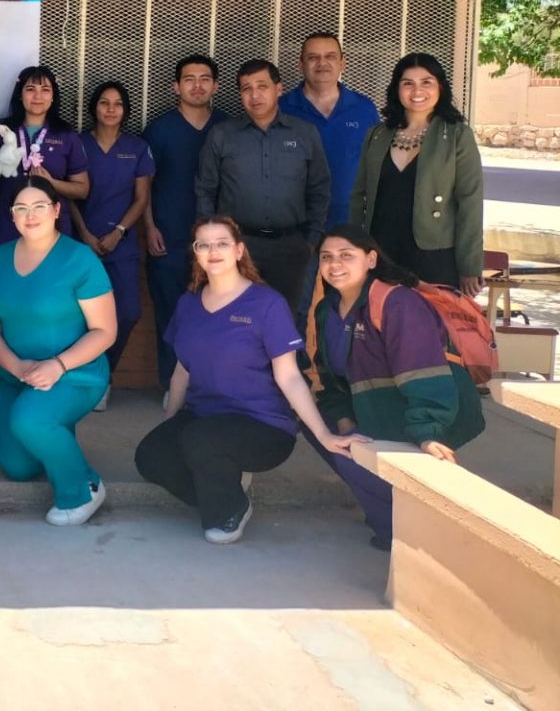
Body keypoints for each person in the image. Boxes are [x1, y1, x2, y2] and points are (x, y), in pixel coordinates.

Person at [134, 217, 358, 544]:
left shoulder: (267, 303)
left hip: (262, 426)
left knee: (200, 439)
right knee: (150, 456)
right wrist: (169, 424)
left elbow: (289, 376)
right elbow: (183, 368)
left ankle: (229, 509)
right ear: (195, 253)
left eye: (222, 243)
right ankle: (224, 489)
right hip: (204, 418)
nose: (213, 251)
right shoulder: (188, 303)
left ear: (239, 250)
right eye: (203, 244)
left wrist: (323, 434)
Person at [312, 224, 485, 550]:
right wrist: (344, 422)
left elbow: (424, 374)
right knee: (322, 428)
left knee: (368, 460)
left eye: (346, 255)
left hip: (427, 409)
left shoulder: (397, 303)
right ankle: (390, 522)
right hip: (374, 411)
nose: (335, 264)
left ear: (371, 259)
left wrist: (427, 433)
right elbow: (330, 379)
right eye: (326, 257)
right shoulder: (327, 310)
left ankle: (410, 534)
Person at [0, 180, 116, 527]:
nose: (30, 215)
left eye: (39, 206)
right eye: (21, 208)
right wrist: (16, 366)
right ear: (12, 216)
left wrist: (58, 365)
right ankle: (52, 430)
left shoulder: (79, 259)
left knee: (30, 420)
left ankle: (82, 489)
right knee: (17, 467)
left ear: (56, 211)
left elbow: (105, 331)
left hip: (75, 374)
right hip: (18, 375)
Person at [195, 59, 330, 324]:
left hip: (291, 247)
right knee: (236, 320)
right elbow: (205, 190)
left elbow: (319, 188)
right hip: (238, 247)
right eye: (246, 89)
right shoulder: (222, 135)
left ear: (279, 89)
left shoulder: (304, 134)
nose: (254, 95)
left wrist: (310, 240)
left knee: (288, 320)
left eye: (262, 86)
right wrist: (212, 243)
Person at [348, 53, 484, 297]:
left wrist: (469, 266)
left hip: (434, 255)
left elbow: (470, 203)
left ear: (440, 87)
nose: (417, 91)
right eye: (408, 83)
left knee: (430, 319)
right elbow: (358, 198)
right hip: (381, 252)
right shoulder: (377, 135)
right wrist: (354, 250)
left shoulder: (456, 135)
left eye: (426, 82)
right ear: (397, 88)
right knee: (380, 318)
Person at [279, 33, 381, 319]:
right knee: (293, 308)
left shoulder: (363, 109)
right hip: (296, 227)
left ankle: (336, 353)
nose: (321, 63)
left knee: (347, 309)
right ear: (300, 64)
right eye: (313, 57)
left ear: (342, 63)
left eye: (330, 57)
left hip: (348, 225)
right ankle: (295, 352)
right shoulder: (282, 108)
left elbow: (377, 167)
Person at [142, 55, 226, 393]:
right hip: (169, 236)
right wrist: (149, 227)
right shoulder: (159, 130)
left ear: (215, 86)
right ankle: (171, 387)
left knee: (216, 316)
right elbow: (143, 186)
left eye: (204, 79)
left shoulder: (227, 127)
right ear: (176, 87)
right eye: (189, 79)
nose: (197, 86)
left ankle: (209, 387)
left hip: (217, 244)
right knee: (171, 315)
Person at [70, 80, 153, 408]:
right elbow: (68, 195)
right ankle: (82, 379)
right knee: (77, 317)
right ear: (94, 107)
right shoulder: (79, 144)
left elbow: (142, 197)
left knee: (128, 312)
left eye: (118, 104)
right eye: (104, 102)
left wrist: (119, 231)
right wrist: (85, 234)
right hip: (81, 245)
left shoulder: (137, 147)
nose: (110, 109)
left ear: (125, 110)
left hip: (122, 245)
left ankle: (104, 375)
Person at [0, 65, 89, 244]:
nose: (38, 96)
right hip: (6, 225)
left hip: (52, 229)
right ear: (20, 94)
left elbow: (82, 190)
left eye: (45, 90)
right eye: (30, 89)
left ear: (53, 96)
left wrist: (52, 183)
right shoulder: (1, 129)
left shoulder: (66, 135)